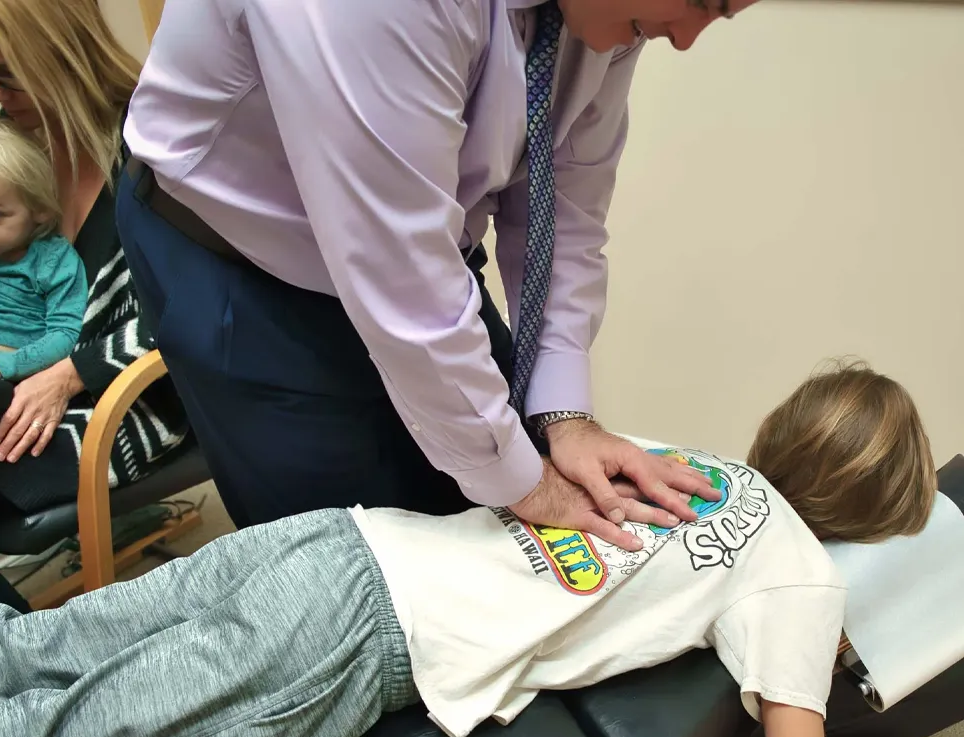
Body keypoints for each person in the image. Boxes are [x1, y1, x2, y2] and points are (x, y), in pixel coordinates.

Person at [0, 361, 961, 737]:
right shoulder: (802, 577)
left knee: (29, 648)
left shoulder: (690, 465)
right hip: (357, 639)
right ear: (875, 520)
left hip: (342, 539)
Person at [116, 0, 760, 544]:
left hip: (420, 246)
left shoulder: (603, 17)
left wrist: (565, 417)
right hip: (238, 255)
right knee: (354, 564)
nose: (687, 38)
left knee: (500, 508)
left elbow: (563, 209)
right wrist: (525, 483)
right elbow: (397, 265)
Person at [0, 0, 187, 545]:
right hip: (10, 380)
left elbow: (194, 308)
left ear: (61, 55)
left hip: (120, 396)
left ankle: (12, 633)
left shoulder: (153, 143)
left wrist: (67, 374)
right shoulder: (17, 138)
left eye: (7, 74)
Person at [0, 118, 88, 445]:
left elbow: (66, 335)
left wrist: (1, 363)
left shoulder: (54, 262)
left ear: (39, 210)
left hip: (9, 378)